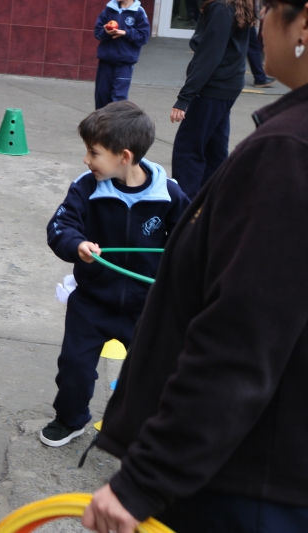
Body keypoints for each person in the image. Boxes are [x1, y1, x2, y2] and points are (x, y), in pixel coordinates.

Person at [82, 0, 308, 531]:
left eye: (271, 7)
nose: (261, 21)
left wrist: (146, 479)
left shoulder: (288, 151)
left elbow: (241, 335)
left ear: (304, 24)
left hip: (251, 480)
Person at [41, 101, 189, 447]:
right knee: (74, 366)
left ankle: (144, 430)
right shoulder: (86, 188)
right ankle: (70, 419)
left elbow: (190, 238)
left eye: (94, 153)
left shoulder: (167, 193)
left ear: (124, 156)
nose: (86, 160)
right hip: (92, 301)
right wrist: (77, 244)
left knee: (152, 373)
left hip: (146, 304)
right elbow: (60, 226)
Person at [169, 0, 257, 200]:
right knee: (214, 148)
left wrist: (184, 97)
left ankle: (184, 206)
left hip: (214, 86)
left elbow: (209, 54)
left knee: (188, 149)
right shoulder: (237, 4)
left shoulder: (221, 8)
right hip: (228, 84)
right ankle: (211, 202)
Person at [93, 0, 151, 109]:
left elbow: (143, 37)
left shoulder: (138, 12)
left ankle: (116, 120)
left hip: (125, 63)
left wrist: (126, 33)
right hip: (105, 61)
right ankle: (101, 119)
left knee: (119, 98)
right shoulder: (109, 9)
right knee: (102, 95)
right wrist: (106, 32)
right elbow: (97, 33)